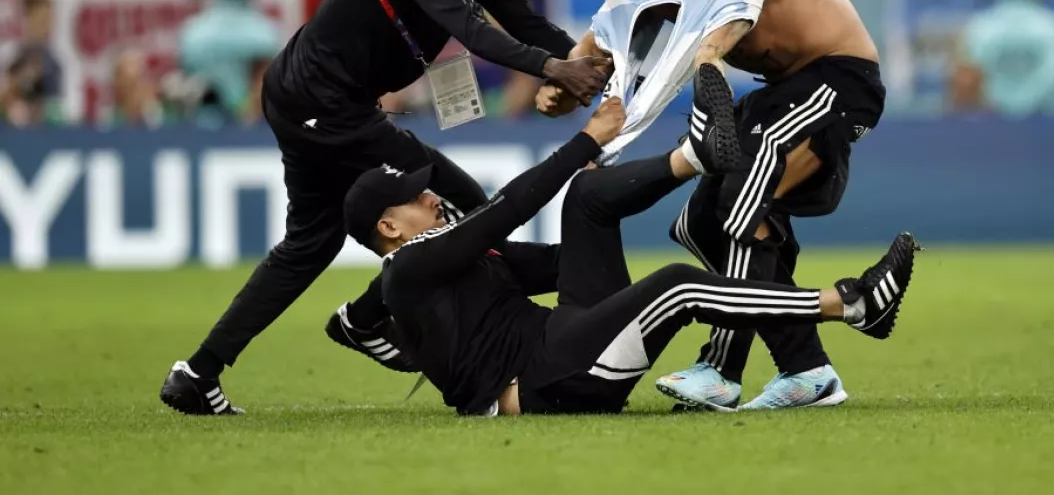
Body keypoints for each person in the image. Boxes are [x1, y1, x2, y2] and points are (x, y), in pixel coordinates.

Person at [159, 0, 611, 416]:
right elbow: (473, 31)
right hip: (327, 106)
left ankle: (199, 372)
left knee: (310, 244)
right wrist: (556, 69)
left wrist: (584, 58)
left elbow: (520, 19)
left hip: (310, 98)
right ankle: (380, 321)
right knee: (464, 203)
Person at [537, 0, 885, 411]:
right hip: (784, 89)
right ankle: (806, 369)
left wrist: (711, 52)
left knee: (736, 210)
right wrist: (563, 79)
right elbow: (604, 34)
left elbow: (739, 3)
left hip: (838, 78)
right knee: (699, 222)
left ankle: (721, 369)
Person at [361, 97, 918, 416]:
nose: (430, 196)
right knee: (676, 284)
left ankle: (693, 157)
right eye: (414, 197)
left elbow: (564, 259)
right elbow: (504, 207)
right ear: (388, 227)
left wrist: (606, 191)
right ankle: (852, 305)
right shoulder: (407, 269)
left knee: (585, 199)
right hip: (548, 384)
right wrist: (584, 141)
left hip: (562, 344)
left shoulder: (447, 265)